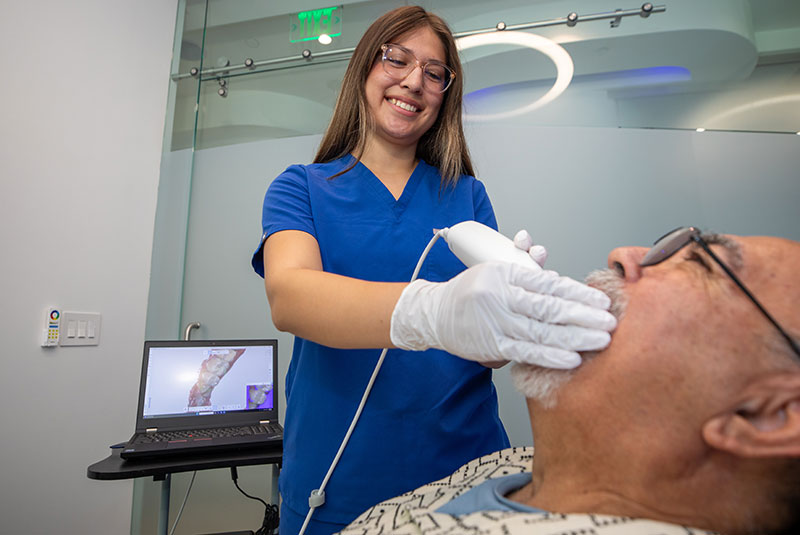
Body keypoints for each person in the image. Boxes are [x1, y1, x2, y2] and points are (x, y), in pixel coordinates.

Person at [251, 6, 616, 535]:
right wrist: (435, 311)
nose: (413, 81)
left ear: (446, 93)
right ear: (363, 70)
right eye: (396, 58)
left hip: (467, 472)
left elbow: (487, 353)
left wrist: (510, 320)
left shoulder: (466, 195)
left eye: (433, 72)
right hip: (337, 475)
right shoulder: (301, 187)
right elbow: (291, 297)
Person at [339, 229, 800, 535]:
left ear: (767, 416)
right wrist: (428, 311)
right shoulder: (508, 468)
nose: (624, 255)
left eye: (701, 264)